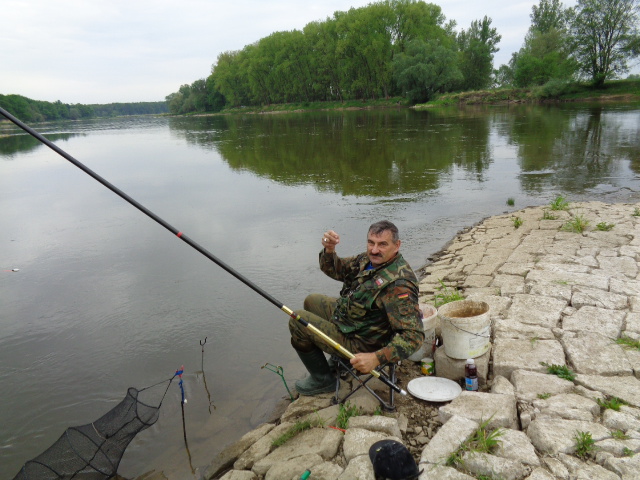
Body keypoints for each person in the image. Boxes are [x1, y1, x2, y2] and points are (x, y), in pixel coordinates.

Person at [289, 220, 424, 396]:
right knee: (311, 301)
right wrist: (329, 250)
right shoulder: (367, 260)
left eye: (382, 244)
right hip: (354, 321)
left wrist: (376, 358)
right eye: (371, 243)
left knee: (297, 320)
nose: (374, 250)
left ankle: (323, 380)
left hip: (362, 343)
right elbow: (336, 270)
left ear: (397, 245)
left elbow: (414, 336)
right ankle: (337, 360)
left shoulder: (399, 286)